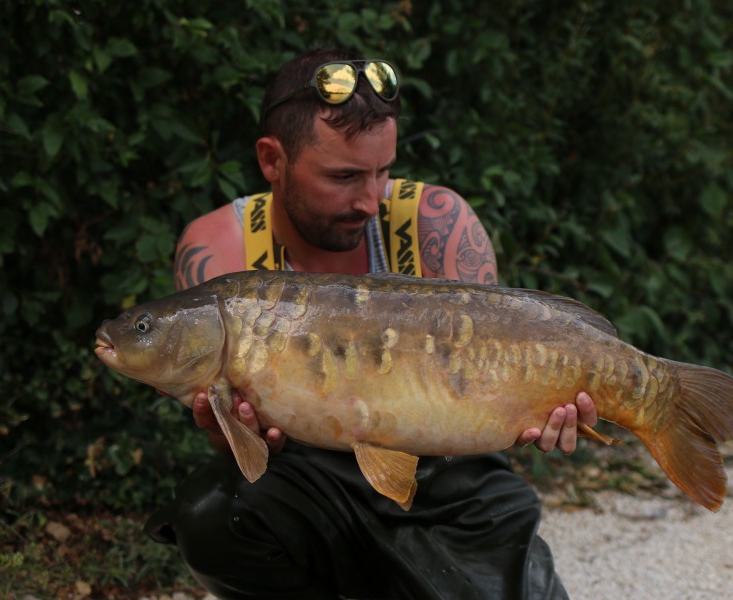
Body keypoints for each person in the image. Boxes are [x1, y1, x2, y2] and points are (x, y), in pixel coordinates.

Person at [146, 47, 598, 600]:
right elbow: (238, 442)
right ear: (272, 160)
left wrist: (545, 408)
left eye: (384, 171)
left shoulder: (439, 224)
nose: (370, 200)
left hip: (447, 475)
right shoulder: (220, 250)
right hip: (305, 475)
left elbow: (496, 383)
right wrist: (228, 430)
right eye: (344, 176)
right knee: (212, 513)